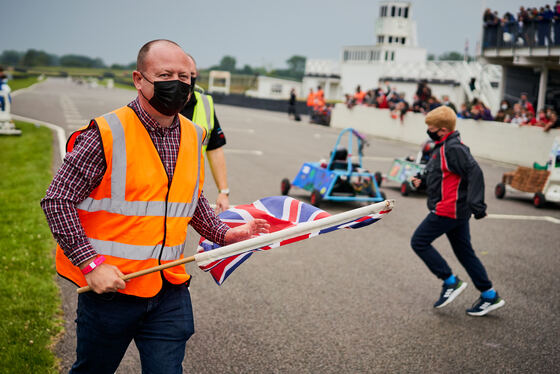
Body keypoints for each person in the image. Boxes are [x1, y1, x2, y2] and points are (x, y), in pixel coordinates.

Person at [41, 39, 270, 373]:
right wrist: (91, 264)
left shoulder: (193, 135)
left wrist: (227, 234)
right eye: (165, 75)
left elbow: (191, 201)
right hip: (111, 289)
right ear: (138, 79)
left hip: (169, 289)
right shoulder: (106, 132)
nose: (176, 84)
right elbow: (57, 200)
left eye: (184, 76)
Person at [410, 106, 505, 317]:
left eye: (431, 127)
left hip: (448, 209)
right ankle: (489, 295)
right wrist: (422, 181)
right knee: (464, 252)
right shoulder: (442, 147)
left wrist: (478, 207)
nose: (428, 130)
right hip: (454, 210)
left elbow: (475, 172)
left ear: (442, 130)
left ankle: (450, 282)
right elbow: (442, 176)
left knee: (418, 242)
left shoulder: (453, 148)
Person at [180, 56, 230, 213]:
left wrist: (223, 192)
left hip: (189, 192)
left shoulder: (205, 104)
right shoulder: (154, 102)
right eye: (182, 75)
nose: (187, 79)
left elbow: (214, 149)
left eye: (191, 74)